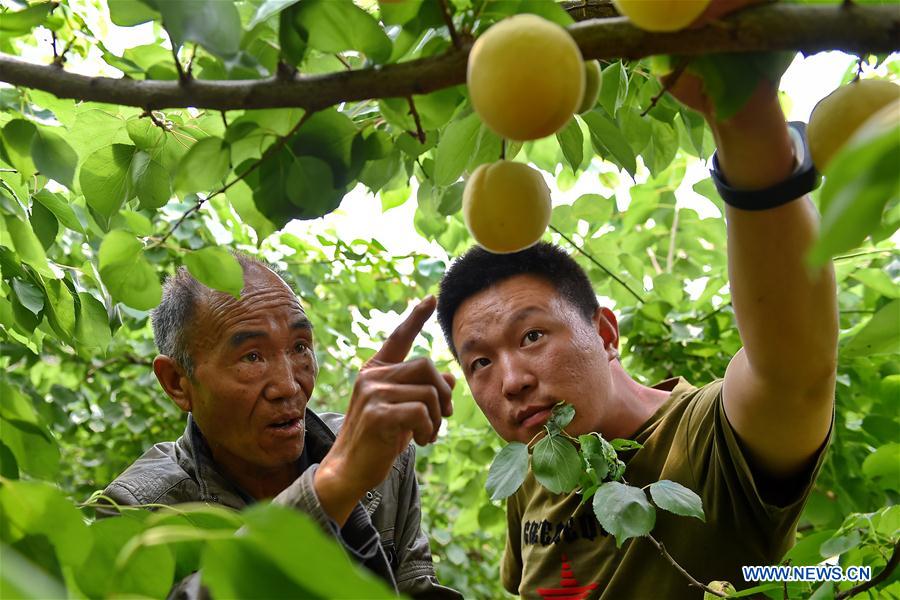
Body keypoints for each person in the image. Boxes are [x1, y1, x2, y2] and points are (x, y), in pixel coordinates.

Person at [435, 4, 837, 600]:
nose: (512, 381)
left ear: (605, 333)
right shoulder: (535, 471)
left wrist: (746, 119)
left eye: (532, 336)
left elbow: (794, 368)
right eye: (480, 362)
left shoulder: (707, 443)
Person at [103, 256, 461, 599]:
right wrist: (330, 488)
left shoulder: (383, 459)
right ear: (177, 383)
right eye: (252, 357)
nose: (289, 386)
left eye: (300, 347)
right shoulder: (137, 510)